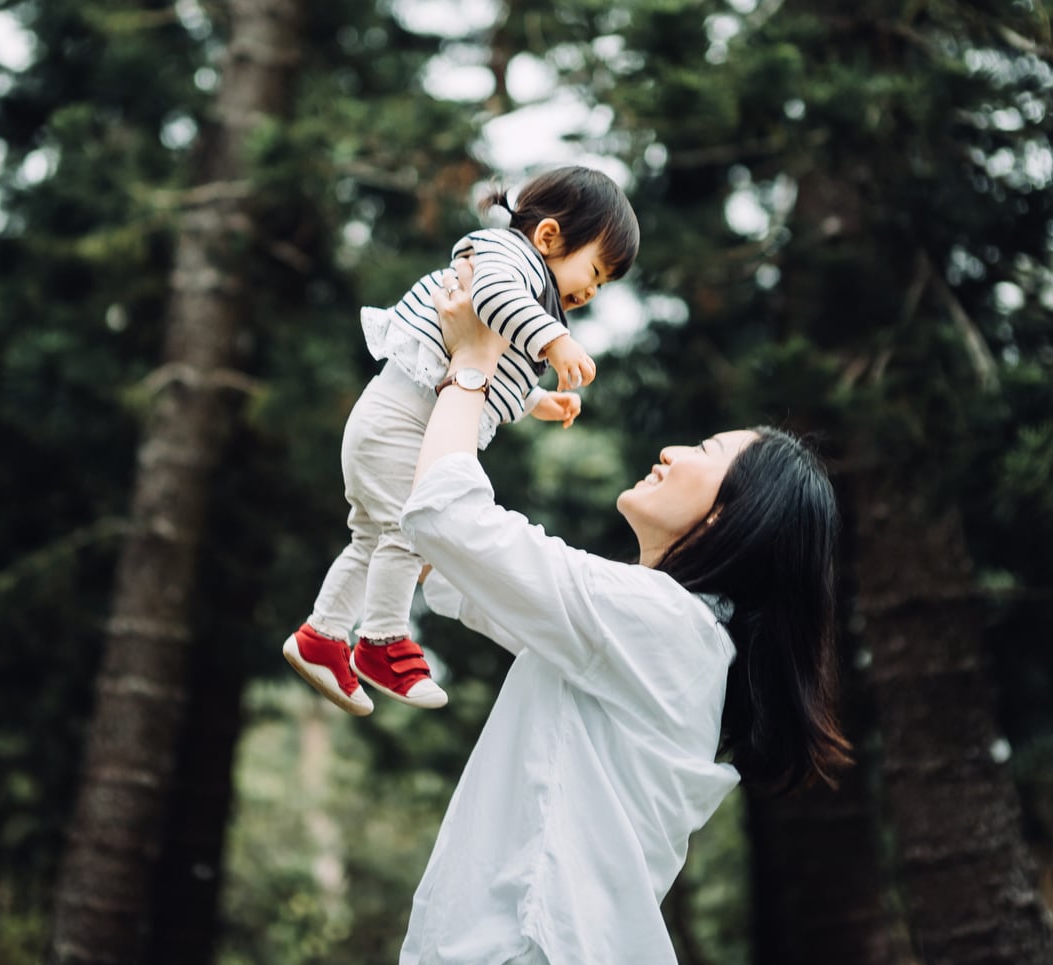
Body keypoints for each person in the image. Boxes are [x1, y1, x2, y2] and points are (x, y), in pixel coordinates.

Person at [394, 253, 849, 965]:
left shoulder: (661, 625)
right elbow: (446, 558)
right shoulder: (653, 633)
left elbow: (448, 520)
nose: (669, 451)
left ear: (736, 516)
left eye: (704, 449)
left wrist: (475, 363)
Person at [284, 167, 640, 714]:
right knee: (412, 531)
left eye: (602, 286)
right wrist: (557, 340)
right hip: (400, 422)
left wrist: (534, 400)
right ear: (548, 236)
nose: (590, 291)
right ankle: (381, 642)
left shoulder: (532, 289)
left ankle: (321, 638)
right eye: (593, 272)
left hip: (394, 421)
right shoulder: (506, 258)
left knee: (373, 541)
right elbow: (493, 301)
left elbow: (480, 360)